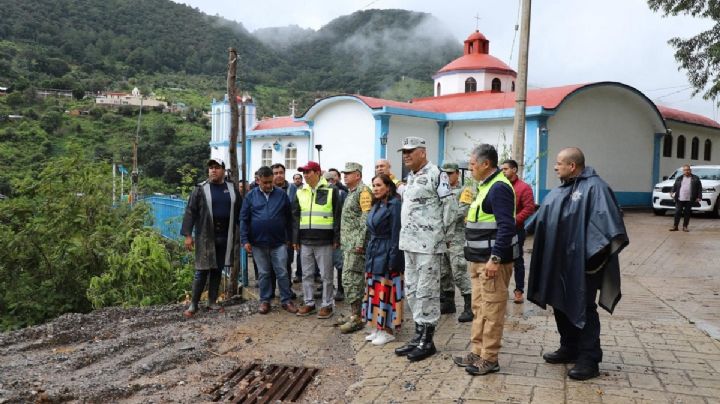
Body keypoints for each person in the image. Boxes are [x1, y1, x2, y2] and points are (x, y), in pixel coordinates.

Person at [528, 147, 629, 381]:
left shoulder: (596, 188)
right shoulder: (561, 189)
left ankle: (589, 358)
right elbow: (543, 218)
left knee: (583, 307)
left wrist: (590, 259)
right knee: (560, 302)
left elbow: (607, 227)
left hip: (585, 266)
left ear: (572, 166)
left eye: (559, 163)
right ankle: (569, 347)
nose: (555, 167)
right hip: (559, 262)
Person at [452, 144, 519, 376]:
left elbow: (506, 226)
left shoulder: (499, 187)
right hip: (478, 261)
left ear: (485, 164)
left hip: (492, 263)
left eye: (472, 164)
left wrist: (496, 258)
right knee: (479, 308)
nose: (470, 168)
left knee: (492, 311)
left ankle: (490, 358)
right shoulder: (485, 186)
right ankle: (477, 352)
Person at [394, 136, 453, 362]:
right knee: (412, 289)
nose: (406, 155)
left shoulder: (437, 175)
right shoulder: (412, 177)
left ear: (423, 152)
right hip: (409, 243)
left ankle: (427, 341)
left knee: (427, 291)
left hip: (428, 245)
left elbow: (449, 206)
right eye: (404, 152)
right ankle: (418, 335)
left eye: (410, 151)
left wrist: (441, 237)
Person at [181, 157, 241, 317]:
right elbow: (190, 212)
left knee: (217, 269)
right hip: (206, 236)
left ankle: (212, 301)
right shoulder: (200, 189)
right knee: (201, 270)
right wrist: (188, 235)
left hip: (225, 236)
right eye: (211, 168)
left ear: (223, 170)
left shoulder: (232, 188)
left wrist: (244, 234)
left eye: (217, 167)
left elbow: (240, 211)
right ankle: (194, 304)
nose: (213, 170)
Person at [240, 166, 297, 314]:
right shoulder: (250, 196)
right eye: (265, 182)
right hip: (258, 243)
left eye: (270, 182)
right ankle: (265, 301)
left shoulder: (281, 195)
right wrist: (245, 240)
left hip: (279, 242)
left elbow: (289, 218)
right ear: (258, 180)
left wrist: (290, 238)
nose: (268, 185)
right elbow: (244, 219)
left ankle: (286, 300)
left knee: (282, 272)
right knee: (264, 273)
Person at [292, 161, 342, 318]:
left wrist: (336, 238)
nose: (305, 175)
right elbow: (295, 217)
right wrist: (295, 239)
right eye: (304, 172)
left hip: (325, 241)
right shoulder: (300, 191)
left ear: (318, 173)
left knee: (326, 275)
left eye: (309, 172)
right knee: (307, 275)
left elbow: (337, 215)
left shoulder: (331, 190)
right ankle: (309, 303)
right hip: (305, 241)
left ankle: (327, 305)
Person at [362, 174, 405, 345]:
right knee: (374, 290)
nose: (375, 188)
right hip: (374, 250)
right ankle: (377, 326)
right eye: (374, 185)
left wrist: (393, 259)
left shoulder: (395, 205)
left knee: (385, 291)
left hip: (387, 250)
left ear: (388, 187)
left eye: (379, 185)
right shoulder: (377, 204)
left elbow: (396, 234)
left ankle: (387, 330)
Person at [337, 162, 373, 333]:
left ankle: (356, 317)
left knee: (352, 280)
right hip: (348, 244)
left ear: (357, 175)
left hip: (356, 246)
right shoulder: (351, 192)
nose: (345, 176)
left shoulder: (364, 192)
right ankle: (354, 313)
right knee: (349, 280)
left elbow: (365, 219)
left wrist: (360, 242)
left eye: (349, 173)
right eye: (344, 173)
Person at [438, 162, 473, 323]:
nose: (447, 176)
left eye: (450, 173)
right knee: (444, 272)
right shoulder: (441, 191)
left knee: (458, 270)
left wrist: (441, 218)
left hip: (456, 237)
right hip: (442, 237)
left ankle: (468, 306)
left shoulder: (465, 191)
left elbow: (461, 212)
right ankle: (448, 303)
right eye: (444, 173)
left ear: (457, 174)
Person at [501, 159, 535, 304]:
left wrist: (514, 221)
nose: (503, 172)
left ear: (514, 170)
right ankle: (501, 291)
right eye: (502, 169)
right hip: (500, 230)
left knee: (517, 259)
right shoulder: (500, 185)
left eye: (506, 169)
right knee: (500, 259)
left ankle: (519, 291)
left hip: (516, 230)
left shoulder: (524, 188)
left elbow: (529, 208)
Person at [271, 163, 298, 299]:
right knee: (270, 264)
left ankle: (287, 289)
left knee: (286, 262)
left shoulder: (293, 188)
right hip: (271, 233)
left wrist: (294, 237)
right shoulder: (267, 188)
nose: (279, 175)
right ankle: (270, 290)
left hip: (287, 233)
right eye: (275, 173)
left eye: (281, 172)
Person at [325, 169, 347, 301]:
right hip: (324, 234)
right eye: (327, 179)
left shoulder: (342, 193)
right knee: (325, 264)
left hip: (338, 233)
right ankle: (327, 288)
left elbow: (342, 214)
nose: (330, 182)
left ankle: (340, 289)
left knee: (339, 262)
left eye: (332, 179)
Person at [669, 164, 701, 232]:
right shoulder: (679, 178)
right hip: (680, 198)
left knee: (687, 213)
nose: (686, 171)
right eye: (685, 170)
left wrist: (699, 197)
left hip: (690, 198)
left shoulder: (695, 178)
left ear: (690, 170)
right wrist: (672, 192)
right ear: (683, 171)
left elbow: (699, 188)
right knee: (677, 212)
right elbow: (674, 186)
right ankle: (675, 226)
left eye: (688, 170)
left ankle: (685, 227)